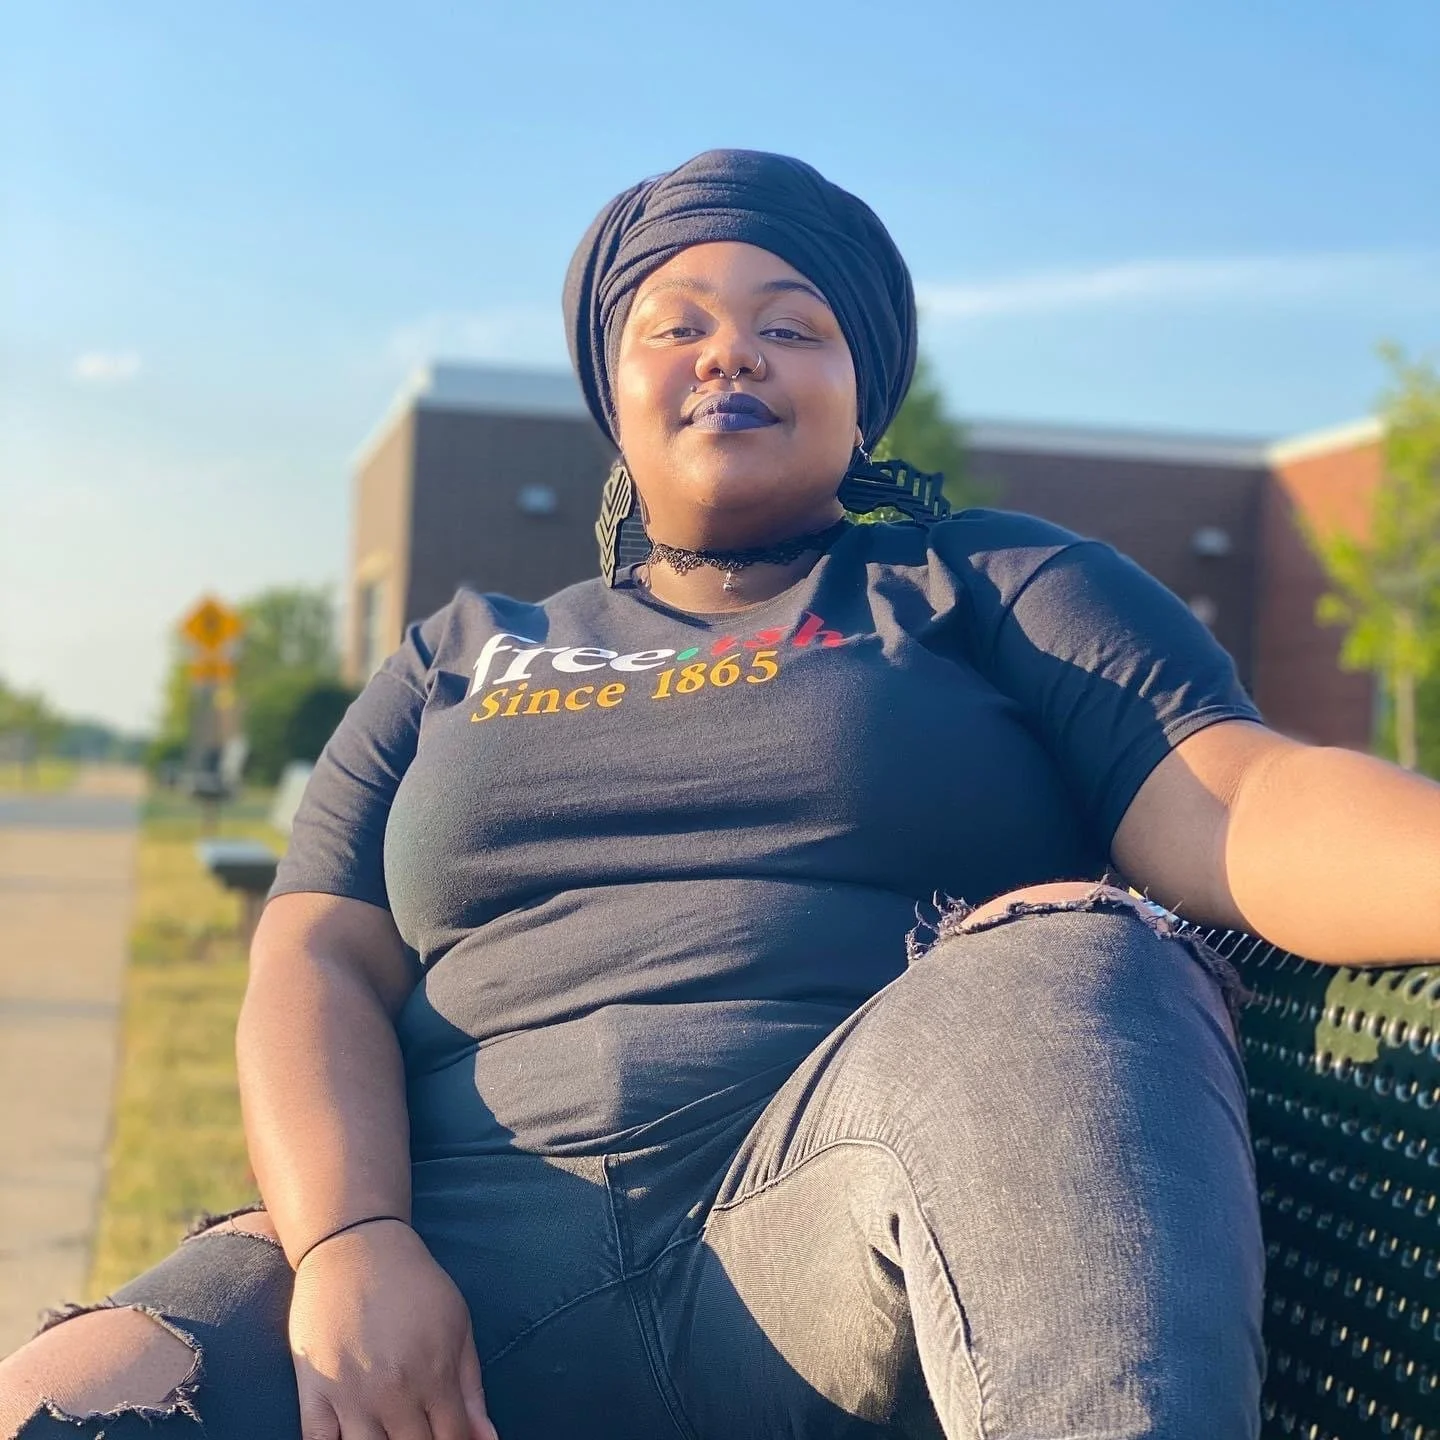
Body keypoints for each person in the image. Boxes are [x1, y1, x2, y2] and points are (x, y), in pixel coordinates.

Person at [3, 148, 1438, 1440]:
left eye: (790, 326)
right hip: (453, 1254)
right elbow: (315, 949)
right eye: (674, 322)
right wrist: (350, 1240)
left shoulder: (985, 583)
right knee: (62, 1404)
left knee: (1067, 949)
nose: (729, 353)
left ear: (858, 387)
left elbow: (1239, 802)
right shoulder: (458, 652)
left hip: (840, 1229)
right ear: (609, 389)